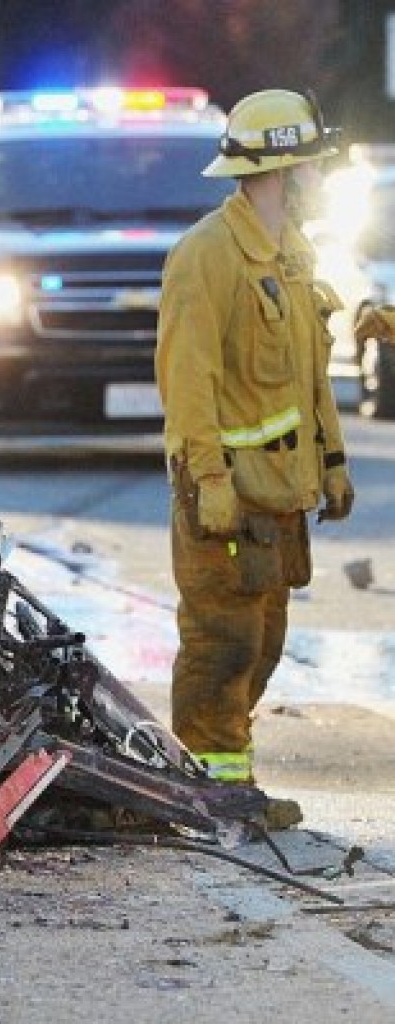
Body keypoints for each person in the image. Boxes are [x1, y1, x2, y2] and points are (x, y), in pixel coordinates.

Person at [155, 90, 354, 826]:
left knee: (263, 645)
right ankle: (209, 794)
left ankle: (224, 786)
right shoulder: (207, 256)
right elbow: (188, 379)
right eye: (312, 167)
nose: (319, 180)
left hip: (278, 499)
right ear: (282, 170)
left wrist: (331, 463)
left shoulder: (291, 258)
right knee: (222, 646)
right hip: (229, 500)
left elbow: (311, 377)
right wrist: (207, 478)